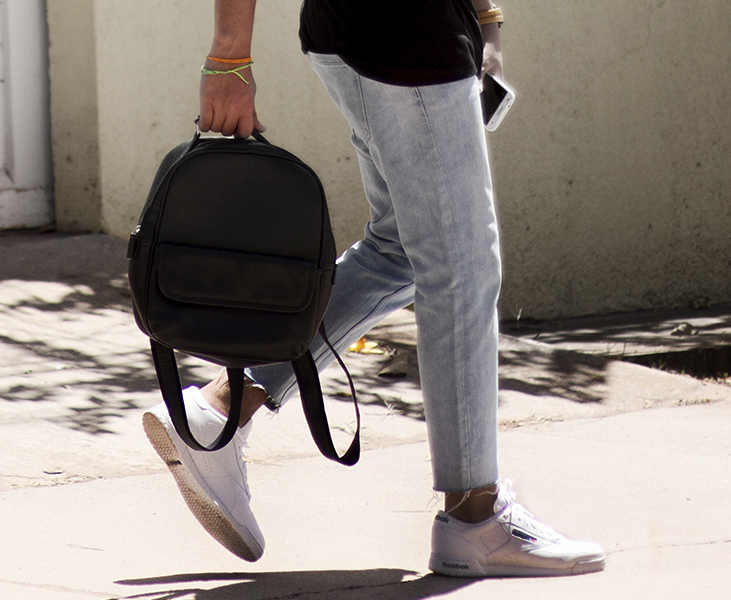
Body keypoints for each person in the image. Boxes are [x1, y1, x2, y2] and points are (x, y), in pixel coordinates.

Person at [142, 0, 606, 577]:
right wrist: (228, 57)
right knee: (460, 268)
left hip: (384, 35)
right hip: (406, 39)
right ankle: (474, 517)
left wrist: (485, 20)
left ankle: (222, 408)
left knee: (401, 251)